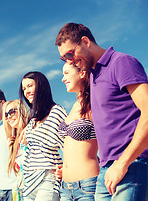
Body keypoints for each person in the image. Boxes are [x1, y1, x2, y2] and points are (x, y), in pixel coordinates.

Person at [56, 23, 148, 200]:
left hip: (133, 164)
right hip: (107, 169)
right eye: (64, 59)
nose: (69, 61)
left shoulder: (121, 62)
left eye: (70, 54)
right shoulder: (93, 75)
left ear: (85, 41)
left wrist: (122, 164)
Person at [19, 71, 66, 201]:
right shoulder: (33, 120)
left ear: (41, 86)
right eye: (24, 88)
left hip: (48, 177)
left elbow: (69, 143)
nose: (26, 91)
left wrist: (67, 167)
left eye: (30, 86)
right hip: (29, 181)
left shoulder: (56, 111)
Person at [58, 63, 99, 201]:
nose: (63, 79)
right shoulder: (74, 106)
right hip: (65, 188)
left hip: (87, 184)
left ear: (82, 73)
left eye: (66, 73)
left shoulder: (94, 103)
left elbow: (118, 124)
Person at [3, 99, 31, 200]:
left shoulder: (32, 131)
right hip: (21, 192)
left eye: (12, 112)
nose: (9, 117)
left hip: (37, 188)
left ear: (22, 110)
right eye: (6, 115)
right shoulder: (15, 143)